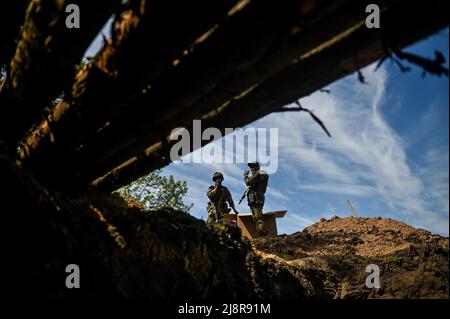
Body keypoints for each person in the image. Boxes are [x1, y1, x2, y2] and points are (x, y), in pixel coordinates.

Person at [243, 162, 269, 236]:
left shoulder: (260, 174)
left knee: (258, 218)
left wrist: (245, 176)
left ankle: (263, 234)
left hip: (256, 198)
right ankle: (261, 234)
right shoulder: (259, 174)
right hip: (256, 198)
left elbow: (248, 182)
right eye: (250, 167)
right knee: (256, 218)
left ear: (257, 167)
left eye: (253, 166)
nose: (251, 169)